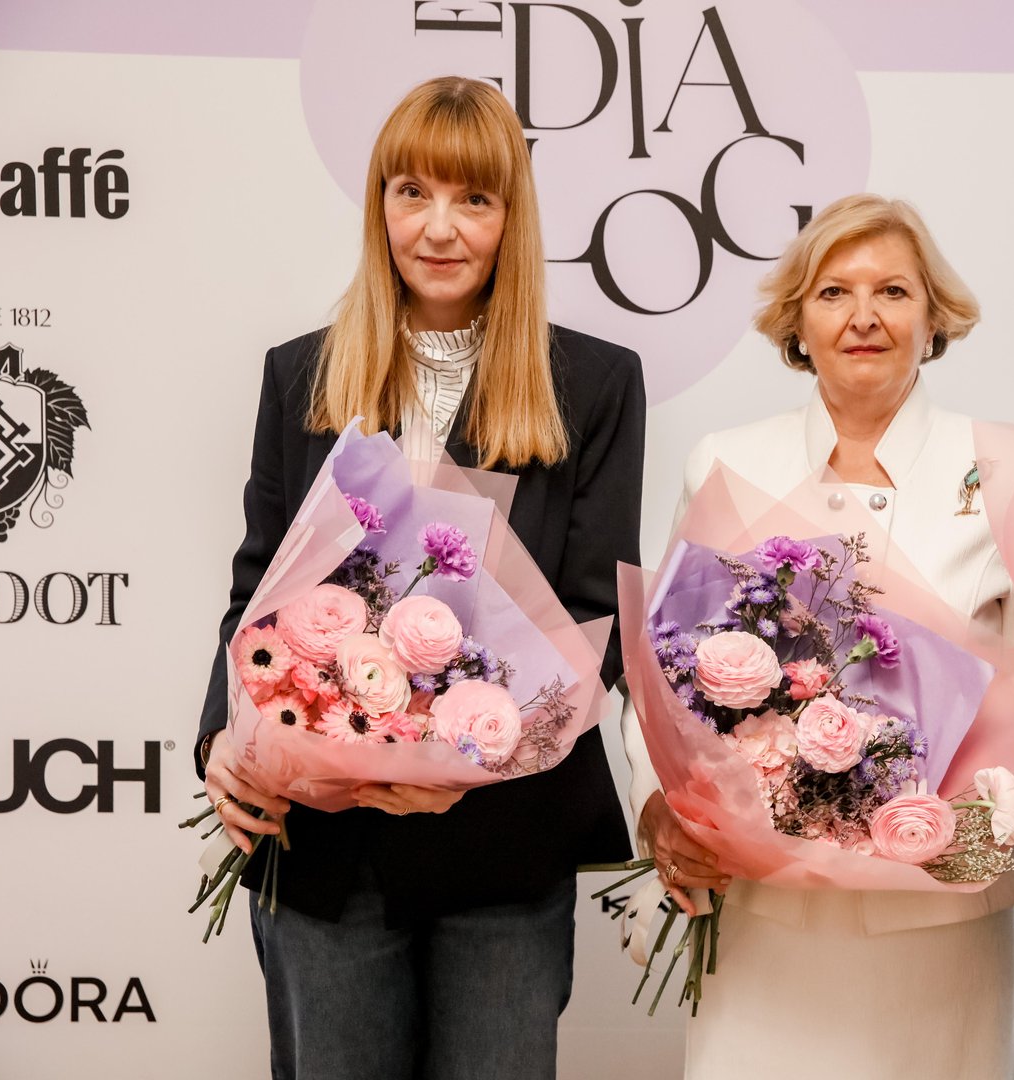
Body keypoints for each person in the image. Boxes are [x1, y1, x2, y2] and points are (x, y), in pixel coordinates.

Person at [194, 76, 644, 1080]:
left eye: (473, 198)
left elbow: (593, 620)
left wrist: (460, 762)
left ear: (511, 218)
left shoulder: (594, 384)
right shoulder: (299, 375)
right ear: (380, 206)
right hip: (325, 846)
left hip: (504, 852)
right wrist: (225, 740)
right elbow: (257, 593)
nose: (439, 228)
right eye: (412, 193)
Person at [622, 194, 1014, 1078]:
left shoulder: (1006, 465)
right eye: (834, 292)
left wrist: (998, 825)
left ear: (934, 318)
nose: (863, 316)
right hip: (762, 909)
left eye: (893, 291)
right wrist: (660, 808)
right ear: (797, 322)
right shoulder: (726, 461)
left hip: (936, 915)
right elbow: (661, 673)